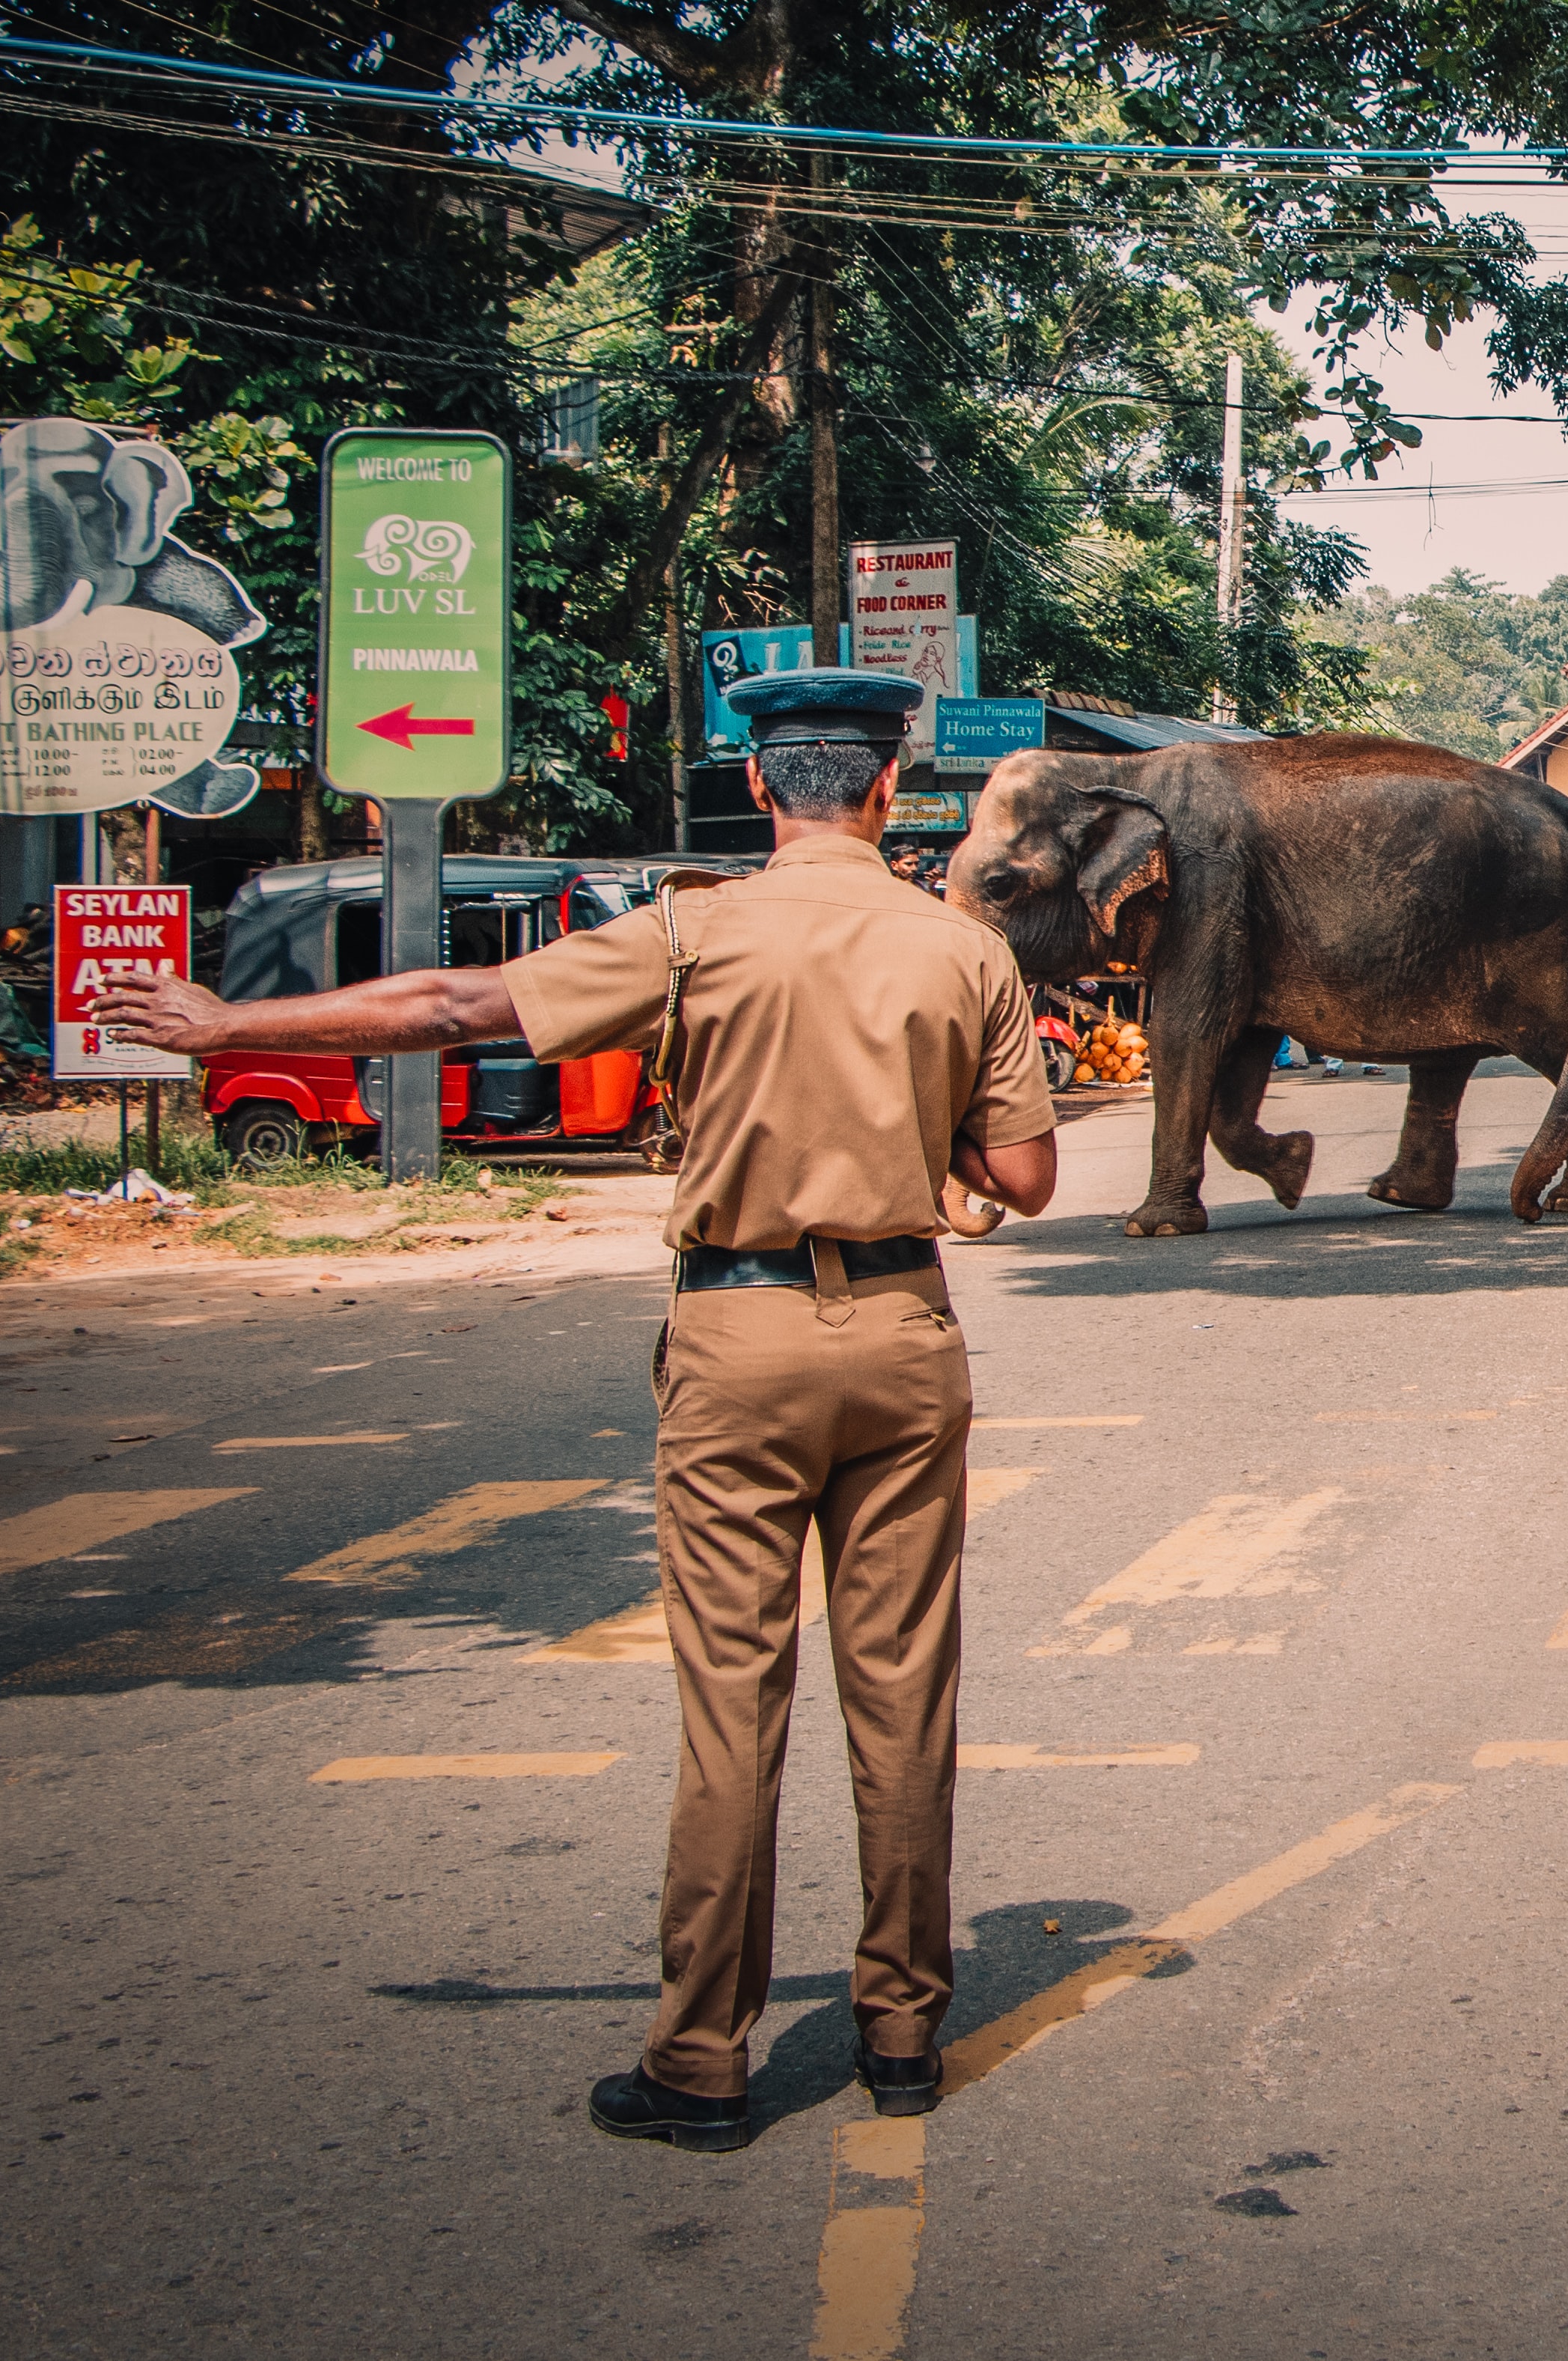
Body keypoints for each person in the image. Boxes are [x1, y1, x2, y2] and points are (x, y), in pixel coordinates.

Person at [87, 670, 1058, 2154]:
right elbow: (1028, 1178)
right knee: (904, 1687)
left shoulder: (691, 934)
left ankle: (701, 2058)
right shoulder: (964, 951)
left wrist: (229, 1025)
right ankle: (903, 2027)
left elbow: (452, 1002)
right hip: (904, 1334)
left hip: (735, 1334)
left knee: (734, 1698)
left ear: (757, 791)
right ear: (882, 792)